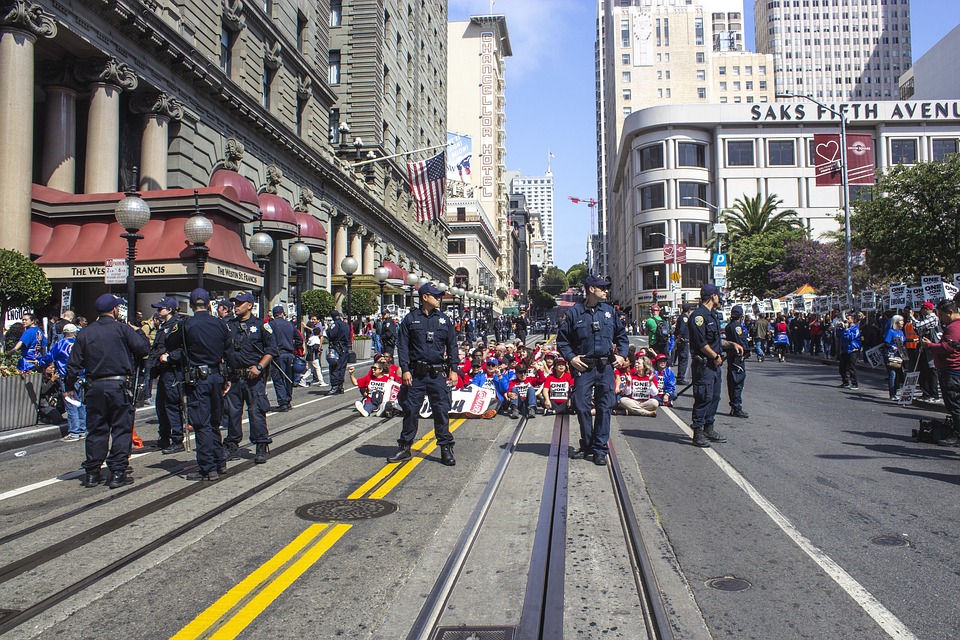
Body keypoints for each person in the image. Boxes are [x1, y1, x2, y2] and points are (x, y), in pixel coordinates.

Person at [64, 294, 150, 489]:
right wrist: (139, 333)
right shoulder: (122, 329)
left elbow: (73, 364)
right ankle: (118, 472)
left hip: (94, 386)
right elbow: (142, 348)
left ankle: (93, 473)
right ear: (114, 310)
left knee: (96, 429)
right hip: (119, 385)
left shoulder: (85, 333)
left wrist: (69, 387)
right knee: (121, 428)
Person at [557, 274, 630, 466]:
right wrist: (571, 358)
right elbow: (562, 341)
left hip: (605, 366)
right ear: (591, 289)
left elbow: (622, 336)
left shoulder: (609, 312)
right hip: (585, 367)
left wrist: (622, 355)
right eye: (602, 288)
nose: (606, 291)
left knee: (605, 407)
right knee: (581, 406)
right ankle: (587, 444)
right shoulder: (574, 313)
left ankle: (599, 449)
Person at [387, 282, 460, 466]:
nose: (438, 299)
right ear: (425, 297)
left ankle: (445, 448)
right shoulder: (411, 319)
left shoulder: (444, 320)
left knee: (441, 410)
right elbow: (402, 346)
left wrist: (454, 370)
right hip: (416, 373)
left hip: (437, 373)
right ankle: (405, 447)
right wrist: (404, 369)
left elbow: (452, 345)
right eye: (435, 296)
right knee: (411, 410)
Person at [164, 289, 234, 481]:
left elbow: (170, 343)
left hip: (198, 379)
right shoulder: (220, 324)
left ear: (193, 305)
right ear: (209, 304)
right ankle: (220, 462)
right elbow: (229, 352)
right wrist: (228, 376)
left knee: (201, 423)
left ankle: (207, 467)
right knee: (214, 422)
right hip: (217, 376)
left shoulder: (186, 324)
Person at [223, 292, 277, 464]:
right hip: (234, 376)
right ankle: (232, 444)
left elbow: (272, 350)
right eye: (235, 303)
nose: (236, 306)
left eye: (240, 303)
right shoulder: (228, 325)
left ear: (250, 305)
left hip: (253, 377)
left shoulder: (261, 325)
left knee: (256, 412)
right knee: (232, 413)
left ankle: (261, 444)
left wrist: (260, 367)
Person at [688, 284, 743, 448]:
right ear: (713, 297)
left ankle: (708, 428)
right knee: (703, 396)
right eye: (718, 296)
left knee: (715, 396)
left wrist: (732, 344)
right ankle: (697, 431)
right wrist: (715, 356)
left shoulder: (712, 316)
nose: (720, 298)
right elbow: (701, 343)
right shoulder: (698, 317)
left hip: (714, 365)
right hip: (703, 365)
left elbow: (716, 341)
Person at [147, 297, 185, 453]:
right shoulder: (163, 326)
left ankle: (177, 439)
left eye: (160, 308)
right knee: (161, 405)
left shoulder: (177, 325)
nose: (158, 311)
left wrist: (169, 357)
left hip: (173, 371)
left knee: (172, 405)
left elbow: (183, 349)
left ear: (169, 309)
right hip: (163, 371)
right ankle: (164, 437)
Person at [920, 299, 960, 446]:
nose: (940, 318)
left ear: (950, 312)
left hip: (952, 371)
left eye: (942, 315)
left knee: (954, 405)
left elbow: (947, 348)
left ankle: (957, 435)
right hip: (952, 370)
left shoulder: (953, 328)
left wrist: (929, 345)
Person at [41, 323, 86, 441]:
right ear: (75, 332)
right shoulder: (79, 343)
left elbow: (49, 357)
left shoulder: (60, 344)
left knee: (71, 404)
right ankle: (82, 430)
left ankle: (74, 432)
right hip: (81, 375)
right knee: (80, 403)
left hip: (66, 376)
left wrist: (40, 361)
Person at [269, 305, 300, 411]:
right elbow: (299, 339)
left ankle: (283, 402)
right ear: (282, 313)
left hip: (278, 355)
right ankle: (288, 400)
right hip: (289, 354)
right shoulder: (290, 324)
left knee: (278, 378)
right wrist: (294, 348)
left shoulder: (271, 325)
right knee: (288, 378)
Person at [724, 305, 750, 419]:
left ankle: (734, 406)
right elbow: (740, 342)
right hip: (737, 357)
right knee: (737, 383)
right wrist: (747, 350)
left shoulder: (729, 326)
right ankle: (736, 407)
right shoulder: (736, 327)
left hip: (732, 357)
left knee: (732, 382)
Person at [914, 301, 942, 402]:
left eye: (922, 309)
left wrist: (912, 317)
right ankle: (926, 393)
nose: (921, 311)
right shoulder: (925, 318)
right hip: (924, 348)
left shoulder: (932, 318)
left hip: (931, 348)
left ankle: (934, 394)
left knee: (931, 370)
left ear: (927, 309)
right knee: (924, 370)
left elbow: (918, 326)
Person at [325, 310, 350, 395]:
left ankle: (335, 386)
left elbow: (331, 334)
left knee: (334, 367)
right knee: (342, 368)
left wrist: (328, 329)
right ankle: (340, 386)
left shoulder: (336, 324)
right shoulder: (346, 325)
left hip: (337, 348)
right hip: (344, 348)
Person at [884, 314, 907, 400]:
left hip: (899, 354)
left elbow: (903, 341)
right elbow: (886, 342)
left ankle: (896, 390)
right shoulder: (891, 331)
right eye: (901, 321)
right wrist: (891, 347)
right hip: (891, 355)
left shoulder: (900, 332)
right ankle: (892, 394)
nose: (903, 323)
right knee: (892, 374)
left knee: (898, 373)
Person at [838, 312, 862, 390]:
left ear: (852, 320)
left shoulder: (855, 328)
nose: (846, 320)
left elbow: (851, 337)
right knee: (842, 368)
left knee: (852, 368)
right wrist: (839, 328)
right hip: (844, 349)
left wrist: (847, 329)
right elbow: (839, 336)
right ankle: (845, 382)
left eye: (848, 319)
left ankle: (854, 383)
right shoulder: (845, 327)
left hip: (852, 349)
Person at [673, 303, 691, 384]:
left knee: (682, 359)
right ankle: (680, 378)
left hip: (682, 341)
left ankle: (680, 376)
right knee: (683, 359)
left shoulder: (681, 317)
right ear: (689, 310)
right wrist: (678, 340)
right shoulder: (684, 318)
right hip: (683, 341)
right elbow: (681, 330)